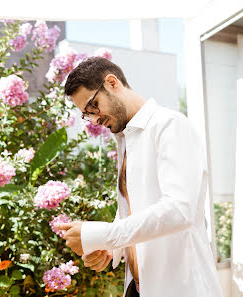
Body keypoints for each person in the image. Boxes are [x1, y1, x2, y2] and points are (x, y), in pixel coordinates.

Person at [55, 57, 224, 297]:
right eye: (86, 114)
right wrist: (111, 248)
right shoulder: (127, 139)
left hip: (181, 287)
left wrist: (100, 234)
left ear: (112, 83)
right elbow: (136, 206)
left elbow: (179, 209)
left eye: (93, 106)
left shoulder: (170, 126)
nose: (94, 119)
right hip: (137, 287)